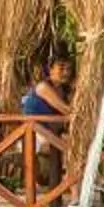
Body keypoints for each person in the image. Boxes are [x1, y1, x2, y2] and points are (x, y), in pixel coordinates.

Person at [22, 54, 74, 195]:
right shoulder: (43, 87)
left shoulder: (64, 90)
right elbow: (65, 109)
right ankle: (77, 190)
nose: (66, 73)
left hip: (51, 134)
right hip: (33, 135)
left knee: (79, 145)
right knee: (73, 148)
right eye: (61, 68)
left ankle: (76, 191)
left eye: (68, 69)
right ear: (50, 70)